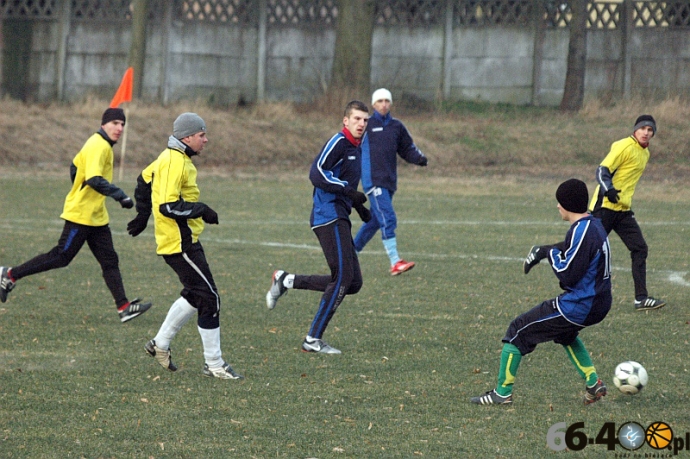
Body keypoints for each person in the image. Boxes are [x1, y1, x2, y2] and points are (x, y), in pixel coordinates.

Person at [0, 107, 151, 323]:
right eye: (115, 123)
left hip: (96, 216)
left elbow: (75, 165)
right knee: (61, 256)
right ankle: (10, 274)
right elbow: (94, 179)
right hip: (81, 215)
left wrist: (79, 188)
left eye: (122, 124)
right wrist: (120, 196)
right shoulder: (98, 145)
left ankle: (124, 307)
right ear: (104, 124)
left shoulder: (100, 144)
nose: (119, 128)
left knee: (109, 260)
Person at [471, 179, 612, 405]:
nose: (557, 206)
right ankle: (593, 382)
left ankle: (501, 393)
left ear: (567, 204)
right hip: (598, 304)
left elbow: (567, 274)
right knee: (565, 334)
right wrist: (546, 251)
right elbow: (573, 252)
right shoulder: (592, 224)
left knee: (517, 330)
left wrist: (548, 254)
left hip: (580, 305)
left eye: (559, 202)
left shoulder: (582, 231)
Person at [127, 112, 243, 380]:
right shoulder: (173, 162)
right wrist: (202, 210)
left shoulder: (172, 158)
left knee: (195, 294)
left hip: (185, 240)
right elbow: (168, 207)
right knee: (209, 298)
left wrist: (142, 216)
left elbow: (143, 180)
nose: (206, 139)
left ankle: (159, 344)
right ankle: (214, 364)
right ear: (187, 137)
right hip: (179, 244)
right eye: (202, 135)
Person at [265, 100, 371, 355]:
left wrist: (357, 206)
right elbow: (317, 173)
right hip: (328, 215)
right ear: (346, 121)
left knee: (353, 282)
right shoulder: (338, 142)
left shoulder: (358, 147)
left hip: (340, 214)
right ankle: (312, 339)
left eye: (365, 120)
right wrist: (350, 194)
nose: (361, 124)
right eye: (357, 119)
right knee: (343, 277)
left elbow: (343, 182)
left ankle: (286, 280)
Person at [589, 114, 665, 311]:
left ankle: (641, 299)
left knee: (640, 248)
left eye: (650, 130)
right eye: (643, 129)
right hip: (604, 206)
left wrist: (623, 199)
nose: (646, 133)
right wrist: (609, 190)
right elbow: (601, 170)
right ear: (635, 130)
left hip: (622, 210)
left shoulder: (645, 153)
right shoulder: (623, 145)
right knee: (587, 250)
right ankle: (544, 252)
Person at [354, 88, 427, 276]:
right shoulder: (366, 126)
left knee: (375, 221)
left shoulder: (397, 126)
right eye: (380, 101)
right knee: (388, 217)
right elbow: (347, 145)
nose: (384, 104)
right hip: (373, 181)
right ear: (373, 105)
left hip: (389, 182)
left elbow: (407, 148)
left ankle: (349, 255)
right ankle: (395, 261)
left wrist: (419, 158)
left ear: (391, 103)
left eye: (387, 100)